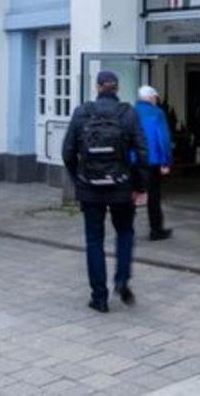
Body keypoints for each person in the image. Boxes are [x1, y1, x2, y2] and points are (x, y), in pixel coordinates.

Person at [62, 69, 147, 313]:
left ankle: (99, 297)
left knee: (94, 240)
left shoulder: (82, 113)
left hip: (89, 188)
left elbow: (67, 152)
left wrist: (78, 177)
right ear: (116, 88)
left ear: (98, 87)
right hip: (121, 186)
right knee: (125, 233)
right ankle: (121, 280)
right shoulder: (128, 114)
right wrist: (139, 186)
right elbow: (143, 153)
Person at [134, 85, 173, 240]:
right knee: (153, 197)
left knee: (132, 195)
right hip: (152, 161)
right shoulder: (157, 113)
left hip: (132, 161)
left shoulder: (130, 112)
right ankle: (156, 230)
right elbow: (163, 139)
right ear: (150, 98)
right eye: (155, 97)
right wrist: (166, 162)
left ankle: (126, 230)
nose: (156, 100)